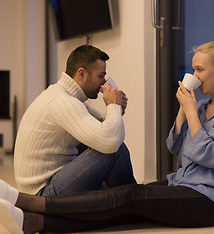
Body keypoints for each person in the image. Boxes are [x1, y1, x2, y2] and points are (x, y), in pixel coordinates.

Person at [0, 41, 214, 234]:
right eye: (193, 70)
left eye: (199, 70)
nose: (193, 76)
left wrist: (190, 111)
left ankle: (30, 202)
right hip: (183, 186)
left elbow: (213, 157)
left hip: (212, 202)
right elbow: (174, 146)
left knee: (130, 195)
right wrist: (184, 110)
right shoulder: (200, 107)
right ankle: (34, 223)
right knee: (125, 202)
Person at [13, 45, 136, 197]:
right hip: (42, 192)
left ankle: (126, 199)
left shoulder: (65, 97)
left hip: (50, 181)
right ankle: (135, 201)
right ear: (82, 74)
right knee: (114, 151)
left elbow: (101, 126)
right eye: (101, 76)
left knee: (103, 142)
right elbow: (110, 141)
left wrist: (116, 109)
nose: (104, 83)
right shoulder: (61, 101)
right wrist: (113, 106)